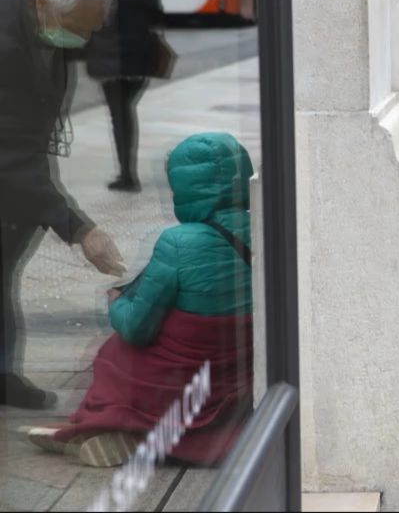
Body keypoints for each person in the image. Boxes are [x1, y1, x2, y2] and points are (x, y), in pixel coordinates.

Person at [27, 133, 254, 467]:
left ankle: (108, 426)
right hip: (237, 367)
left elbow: (136, 327)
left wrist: (116, 302)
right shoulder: (265, 225)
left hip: (188, 371)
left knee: (113, 356)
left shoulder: (177, 242)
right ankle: (142, 435)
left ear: (185, 190)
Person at [0, 0, 125, 410]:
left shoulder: (37, 7)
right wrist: (79, 229)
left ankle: (1, 377)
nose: (85, 41)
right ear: (43, 3)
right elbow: (9, 157)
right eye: (80, 28)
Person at [87, 0, 165, 193]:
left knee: (120, 116)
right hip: (139, 62)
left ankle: (127, 176)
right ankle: (126, 173)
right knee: (125, 113)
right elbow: (156, 17)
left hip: (110, 64)